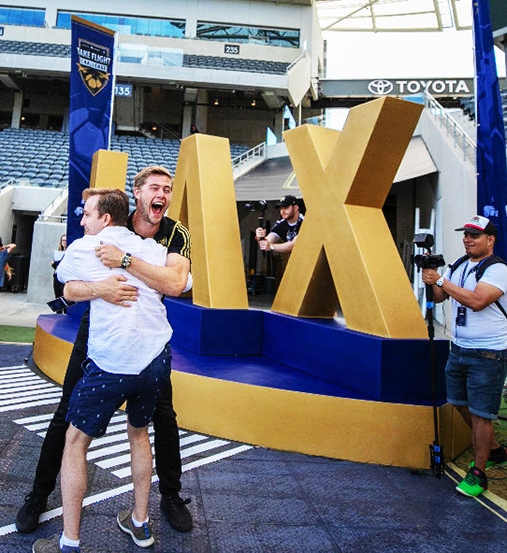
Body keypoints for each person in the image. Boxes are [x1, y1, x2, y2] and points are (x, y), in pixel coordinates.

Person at [16, 166, 192, 535]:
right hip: (101, 329)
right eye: (154, 188)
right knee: (68, 409)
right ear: (138, 193)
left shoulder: (175, 233)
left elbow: (176, 283)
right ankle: (38, 494)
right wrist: (101, 289)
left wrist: (126, 263)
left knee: (164, 415)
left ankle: (171, 496)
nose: (161, 194)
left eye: (168, 189)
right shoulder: (112, 222)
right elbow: (64, 291)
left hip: (147, 341)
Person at [421, 215, 507, 497]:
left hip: (488, 353)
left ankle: (479, 473)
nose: (468, 239)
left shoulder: (497, 269)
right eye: (466, 234)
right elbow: (438, 298)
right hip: (458, 349)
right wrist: (431, 277)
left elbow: (477, 301)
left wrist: (441, 280)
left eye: (475, 235)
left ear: (490, 239)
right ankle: (493, 449)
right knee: (458, 402)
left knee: (482, 415)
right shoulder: (458, 265)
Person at [51, 234, 67, 310]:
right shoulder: (58, 252)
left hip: (65, 277)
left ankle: (65, 312)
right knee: (57, 295)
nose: (64, 242)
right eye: (63, 240)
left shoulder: (69, 252)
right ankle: (58, 313)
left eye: (65, 240)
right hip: (57, 275)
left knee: (64, 295)